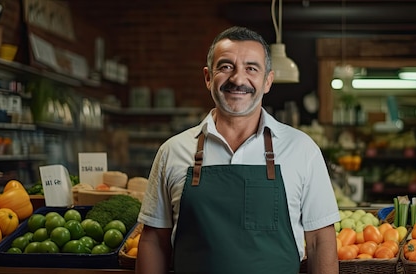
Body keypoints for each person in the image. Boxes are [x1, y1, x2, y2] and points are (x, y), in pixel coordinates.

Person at [135, 26, 340, 274]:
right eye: (225, 67)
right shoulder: (172, 151)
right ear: (208, 77)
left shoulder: (302, 149)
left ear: (267, 81)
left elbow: (320, 240)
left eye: (251, 68)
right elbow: (154, 240)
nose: (238, 79)